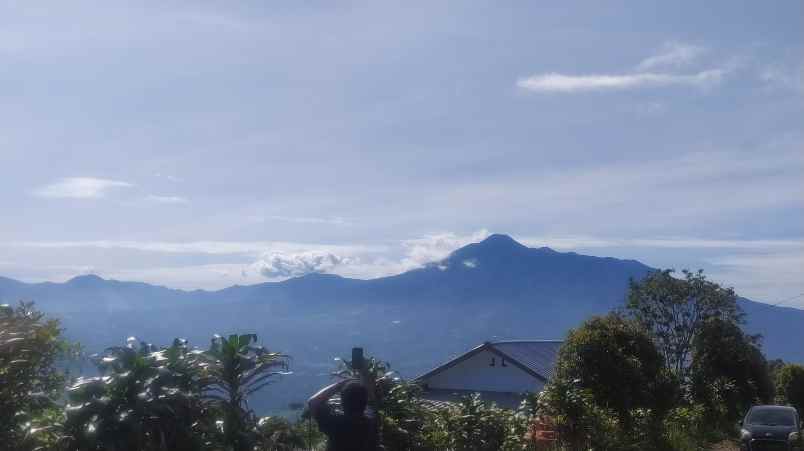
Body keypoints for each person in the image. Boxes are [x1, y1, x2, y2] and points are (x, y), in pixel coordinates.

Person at [308, 378, 379, 451]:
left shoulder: (336, 424)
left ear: (343, 403)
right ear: (365, 402)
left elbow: (313, 402)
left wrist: (339, 385)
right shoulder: (371, 422)